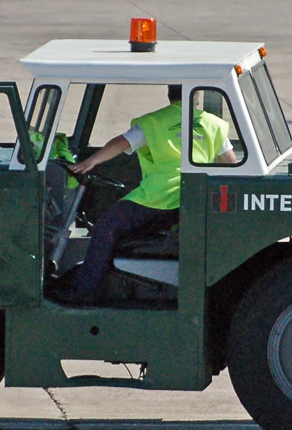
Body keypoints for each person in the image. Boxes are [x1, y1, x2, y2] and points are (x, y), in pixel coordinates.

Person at [64, 85, 236, 304]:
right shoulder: (213, 124)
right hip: (193, 200)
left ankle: (82, 293)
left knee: (107, 227)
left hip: (157, 198)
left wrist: (90, 162)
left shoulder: (153, 122)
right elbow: (230, 163)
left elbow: (120, 143)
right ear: (196, 97)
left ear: (169, 94)